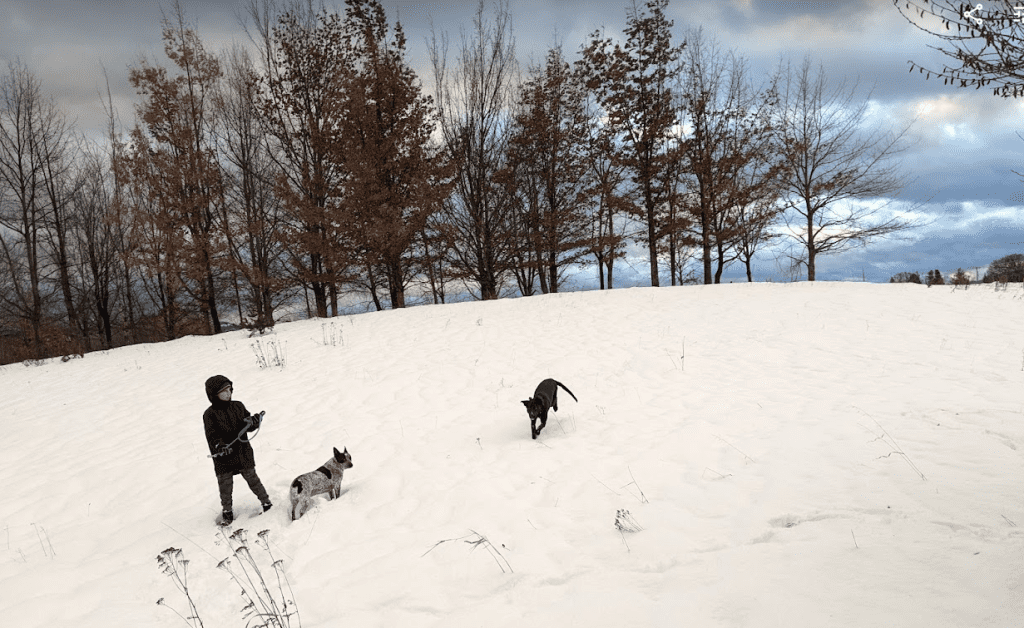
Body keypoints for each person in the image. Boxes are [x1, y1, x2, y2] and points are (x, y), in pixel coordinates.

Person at [203, 375, 272, 524]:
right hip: (224, 457)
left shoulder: (238, 406)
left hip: (242, 452)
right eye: (223, 391)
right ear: (214, 395)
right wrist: (219, 446)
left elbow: (247, 424)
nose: (228, 394)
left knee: (253, 479)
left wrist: (253, 421)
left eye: (229, 390)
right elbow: (212, 435)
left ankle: (266, 502)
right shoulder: (209, 414)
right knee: (225, 486)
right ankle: (227, 511)